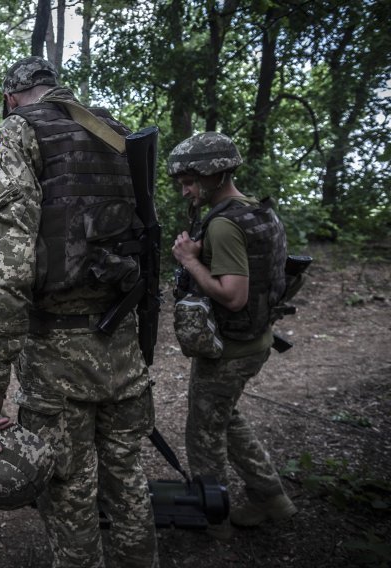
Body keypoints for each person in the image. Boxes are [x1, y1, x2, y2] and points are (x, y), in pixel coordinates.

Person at [0, 56, 157, 567]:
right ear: (55, 88)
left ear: (12, 96)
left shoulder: (20, 131)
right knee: (129, 484)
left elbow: (7, 263)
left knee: (71, 490)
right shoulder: (114, 133)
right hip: (122, 342)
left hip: (56, 355)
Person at [168, 132, 298, 538]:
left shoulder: (224, 224)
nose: (186, 189)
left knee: (203, 433)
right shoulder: (259, 211)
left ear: (215, 173)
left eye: (191, 180)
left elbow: (234, 295)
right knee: (226, 418)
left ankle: (213, 519)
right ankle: (271, 497)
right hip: (256, 341)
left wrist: (190, 261)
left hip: (231, 349)